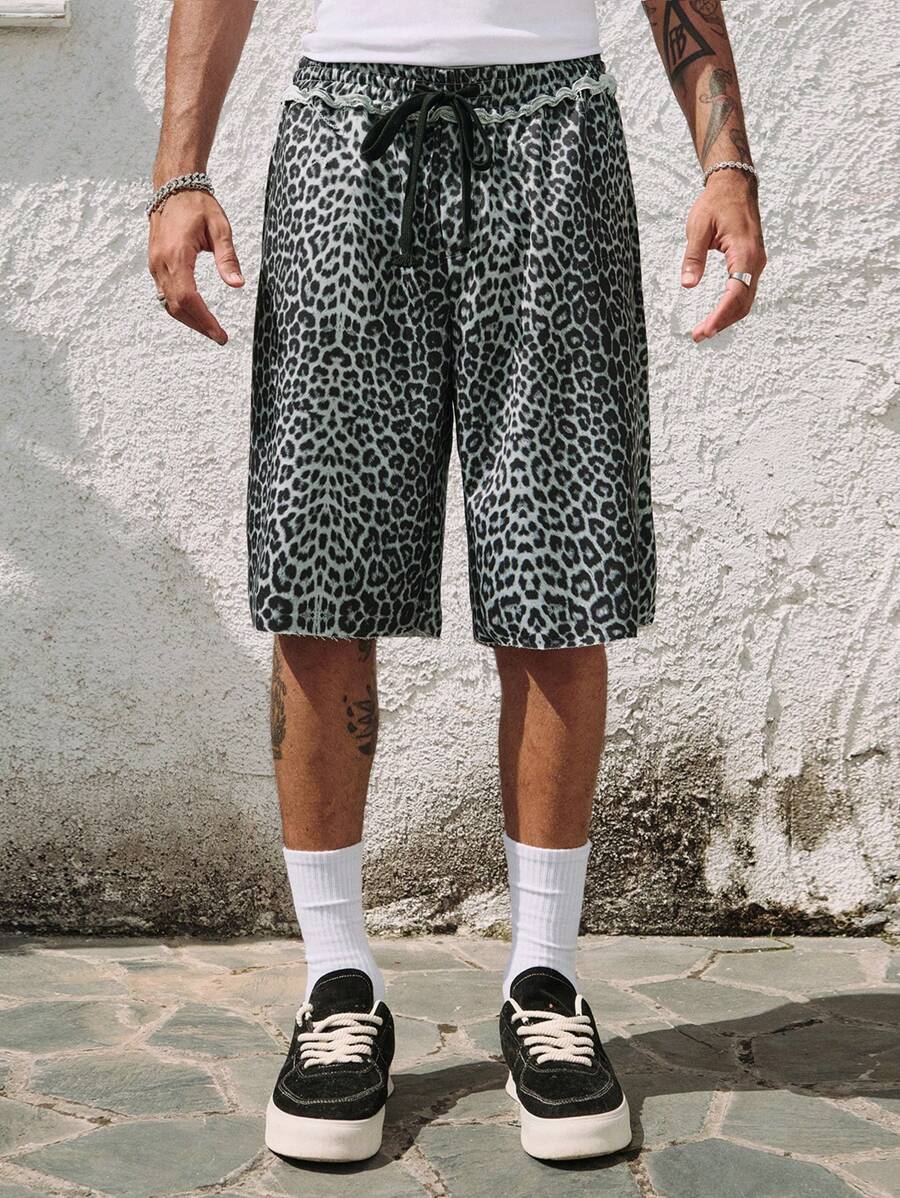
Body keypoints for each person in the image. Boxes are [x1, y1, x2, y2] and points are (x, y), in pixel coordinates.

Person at [148, 0, 765, 1165]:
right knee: (322, 573)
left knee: (559, 568)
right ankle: (337, 981)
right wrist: (180, 171)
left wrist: (726, 159)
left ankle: (545, 980)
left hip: (556, 132)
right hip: (345, 134)